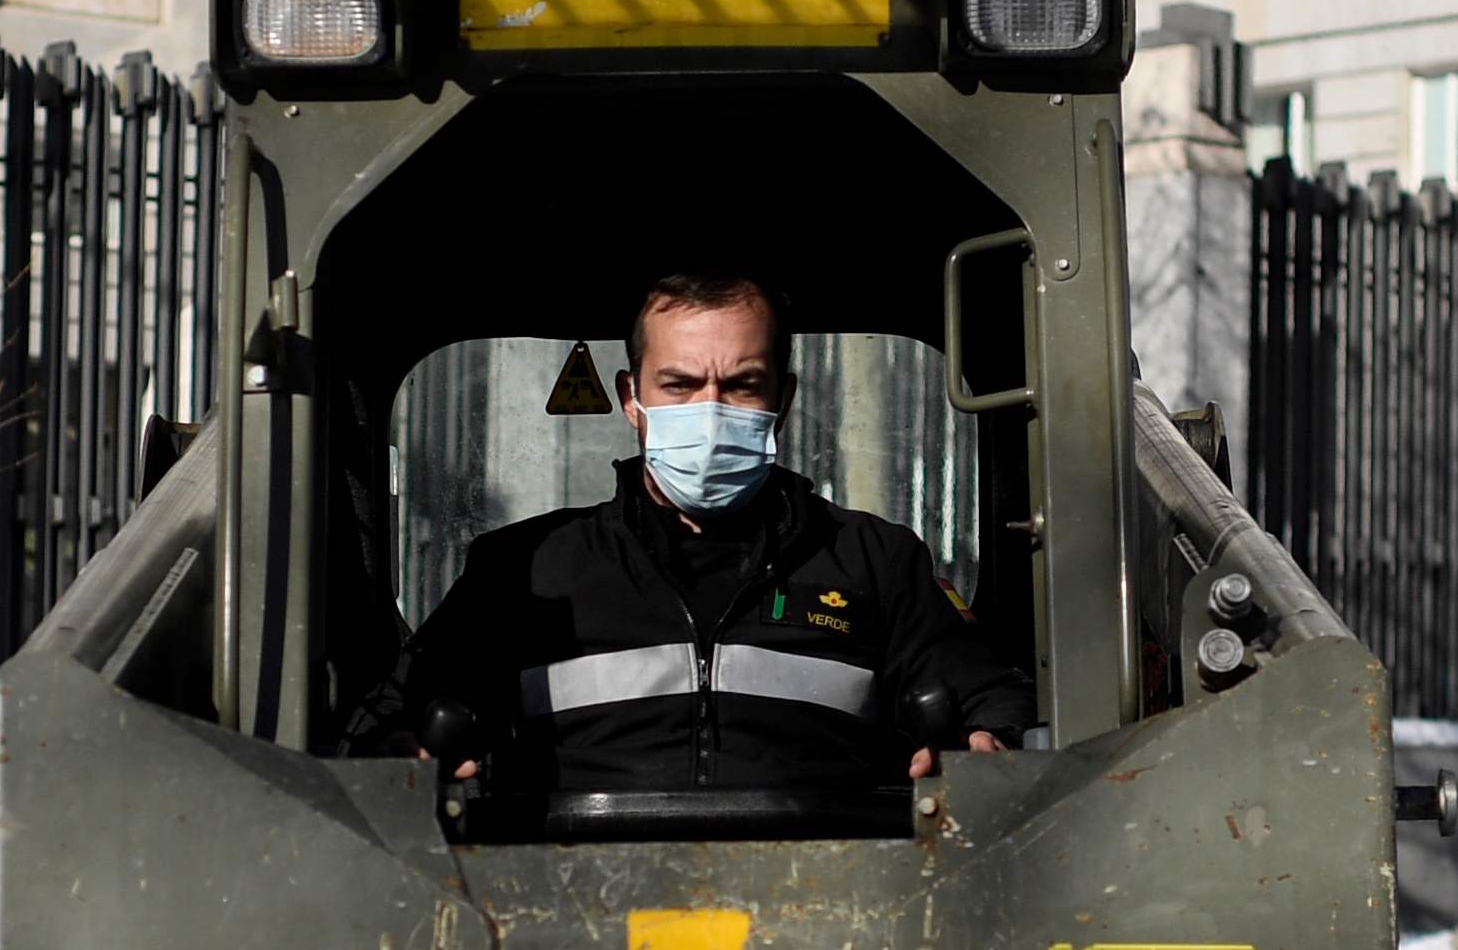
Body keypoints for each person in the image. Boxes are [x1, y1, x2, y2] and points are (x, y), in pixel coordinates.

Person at [370, 269, 1033, 815]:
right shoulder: (524, 569)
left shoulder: (875, 561)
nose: (709, 412)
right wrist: (403, 752)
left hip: (829, 899)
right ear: (632, 399)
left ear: (783, 397)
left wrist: (986, 740)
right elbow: (397, 715)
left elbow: (990, 699)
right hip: (561, 900)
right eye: (680, 385)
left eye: (742, 385)